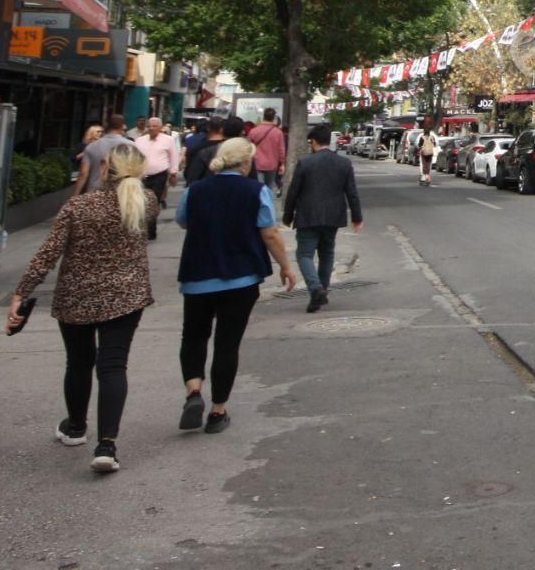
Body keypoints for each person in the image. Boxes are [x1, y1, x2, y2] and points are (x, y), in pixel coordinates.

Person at [9, 142, 157, 474]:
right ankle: (107, 444)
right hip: (126, 296)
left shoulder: (78, 207)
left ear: (106, 169)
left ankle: (76, 426)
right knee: (113, 366)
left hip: (77, 295)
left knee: (78, 362)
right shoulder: (145, 203)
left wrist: (21, 292)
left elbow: (48, 254)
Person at [176, 139, 295, 435]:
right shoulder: (257, 191)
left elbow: (183, 222)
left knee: (193, 336)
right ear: (245, 163)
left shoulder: (195, 191)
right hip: (241, 277)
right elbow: (269, 233)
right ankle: (218, 410)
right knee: (227, 343)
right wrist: (286, 266)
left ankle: (193, 391)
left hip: (198, 276)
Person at [283, 124, 363, 313]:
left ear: (314, 142)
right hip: (333, 216)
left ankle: (315, 288)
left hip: (308, 215)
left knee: (304, 254)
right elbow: (352, 193)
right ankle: (321, 291)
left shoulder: (305, 163)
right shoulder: (343, 163)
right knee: (327, 254)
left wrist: (288, 215)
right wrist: (357, 216)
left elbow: (293, 191)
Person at [134, 117, 181, 241]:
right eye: (149, 126)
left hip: (159, 175)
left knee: (153, 202)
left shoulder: (168, 140)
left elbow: (173, 157)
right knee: (141, 202)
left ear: (160, 128)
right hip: (141, 176)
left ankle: (151, 230)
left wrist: (173, 172)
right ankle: (140, 228)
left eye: (154, 126)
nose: (151, 128)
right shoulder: (139, 141)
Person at [74, 114, 132, 196]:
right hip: (121, 192)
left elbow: (83, 174)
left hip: (95, 192)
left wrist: (75, 196)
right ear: (122, 126)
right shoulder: (131, 146)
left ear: (106, 126)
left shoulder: (91, 147)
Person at [184, 118, 232, 187]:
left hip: (203, 187)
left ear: (208, 128)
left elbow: (191, 172)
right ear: (223, 129)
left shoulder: (198, 147)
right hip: (228, 186)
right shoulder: (230, 146)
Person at [248, 109, 287, 192]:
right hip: (272, 164)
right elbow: (281, 149)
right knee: (269, 187)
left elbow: (248, 147)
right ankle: (269, 204)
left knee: (259, 188)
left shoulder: (254, 131)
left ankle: (259, 204)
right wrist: (282, 163)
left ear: (263, 116)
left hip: (257, 163)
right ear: (274, 118)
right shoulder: (278, 132)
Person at [412, 122, 434, 187]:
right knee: (428, 164)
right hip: (430, 153)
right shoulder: (432, 137)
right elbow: (435, 144)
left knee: (424, 164)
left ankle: (423, 178)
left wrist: (420, 147)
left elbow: (419, 145)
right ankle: (427, 177)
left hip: (424, 152)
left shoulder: (422, 137)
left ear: (424, 132)